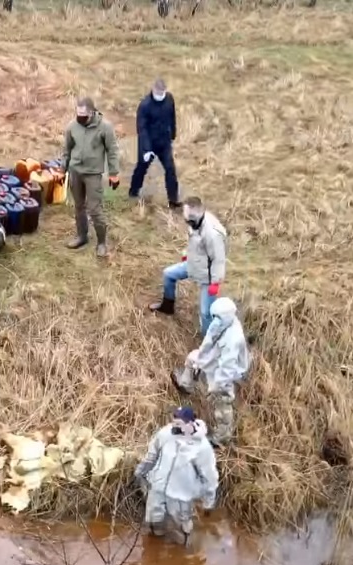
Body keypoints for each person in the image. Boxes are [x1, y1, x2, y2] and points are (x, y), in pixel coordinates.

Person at [171, 297, 250, 446]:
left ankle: (222, 437)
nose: (215, 320)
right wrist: (200, 359)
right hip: (215, 356)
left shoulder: (234, 339)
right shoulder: (221, 322)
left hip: (227, 370)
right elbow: (209, 341)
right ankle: (186, 386)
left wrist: (218, 387)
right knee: (192, 359)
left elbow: (227, 367)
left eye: (218, 317)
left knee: (222, 401)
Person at [133, 407, 219, 545]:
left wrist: (208, 502)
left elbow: (209, 477)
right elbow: (151, 456)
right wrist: (140, 471)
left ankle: (185, 552)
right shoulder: (165, 434)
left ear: (190, 423)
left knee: (181, 535)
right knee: (154, 525)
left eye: (179, 423)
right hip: (158, 489)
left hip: (181, 496)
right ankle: (155, 551)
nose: (174, 426)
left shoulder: (202, 447)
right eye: (174, 421)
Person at [148, 196, 228, 335]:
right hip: (193, 264)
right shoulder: (195, 222)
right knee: (168, 274)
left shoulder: (212, 233)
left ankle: (208, 341)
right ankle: (167, 306)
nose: (188, 222)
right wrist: (187, 254)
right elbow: (194, 242)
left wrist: (215, 282)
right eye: (186, 219)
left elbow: (218, 260)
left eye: (190, 220)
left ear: (199, 214)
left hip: (208, 275)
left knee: (206, 313)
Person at [62, 96, 120, 258]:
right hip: (75, 172)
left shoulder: (105, 127)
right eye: (78, 114)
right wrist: (62, 168)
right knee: (78, 206)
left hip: (93, 174)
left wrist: (114, 173)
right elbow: (66, 149)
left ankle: (101, 243)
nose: (80, 118)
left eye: (83, 115)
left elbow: (112, 151)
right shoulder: (72, 126)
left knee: (95, 209)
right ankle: (82, 236)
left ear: (92, 113)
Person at [129, 78, 180, 208]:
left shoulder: (169, 99)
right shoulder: (145, 105)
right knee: (141, 168)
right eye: (158, 92)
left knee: (170, 169)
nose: (160, 94)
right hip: (149, 143)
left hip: (164, 142)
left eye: (162, 92)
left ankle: (173, 200)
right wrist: (146, 149)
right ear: (153, 90)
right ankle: (133, 192)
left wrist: (173, 134)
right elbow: (142, 128)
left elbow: (172, 117)